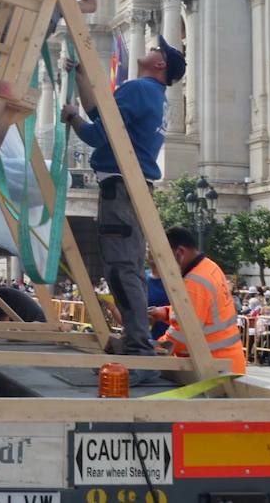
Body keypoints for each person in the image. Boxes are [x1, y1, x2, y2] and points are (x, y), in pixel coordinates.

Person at [61, 36, 185, 372]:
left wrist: (72, 118)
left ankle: (137, 344)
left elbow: (98, 134)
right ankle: (136, 338)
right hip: (134, 186)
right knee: (126, 264)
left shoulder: (138, 89)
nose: (150, 49)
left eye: (156, 49)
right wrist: (83, 79)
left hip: (120, 185)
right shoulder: (154, 96)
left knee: (121, 266)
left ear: (160, 65)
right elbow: (102, 115)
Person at [147, 226, 247, 375]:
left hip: (214, 369)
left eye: (163, 260)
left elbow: (181, 337)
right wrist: (165, 313)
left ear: (180, 252)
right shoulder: (209, 267)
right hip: (226, 363)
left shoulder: (194, 282)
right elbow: (202, 314)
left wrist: (152, 348)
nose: (162, 268)